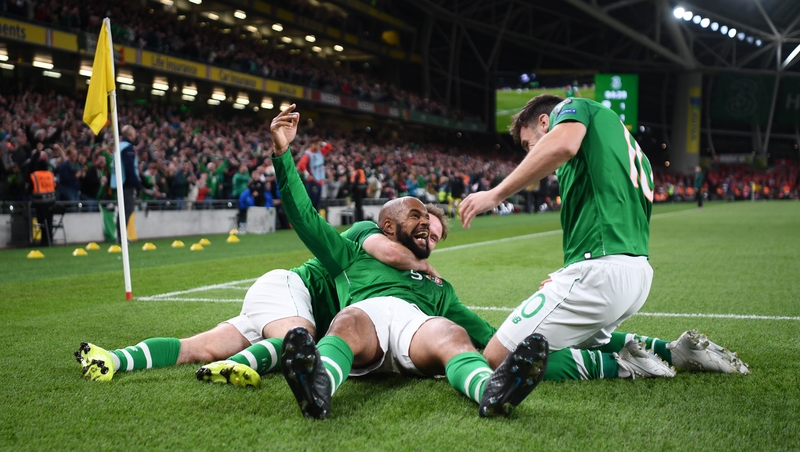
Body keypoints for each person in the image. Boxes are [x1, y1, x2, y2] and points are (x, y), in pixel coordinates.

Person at [269, 104, 548, 419]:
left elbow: (489, 336)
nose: (426, 227)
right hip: (365, 327)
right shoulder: (351, 252)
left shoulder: (439, 287)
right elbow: (305, 217)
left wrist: (547, 355)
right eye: (417, 217)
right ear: (387, 227)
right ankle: (318, 387)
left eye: (431, 229)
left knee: (452, 332)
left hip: (415, 333)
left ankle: (490, 390)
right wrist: (282, 154)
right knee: (346, 322)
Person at [459, 94, 748, 382]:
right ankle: (675, 351)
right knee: (576, 339)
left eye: (527, 143)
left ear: (546, 121)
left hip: (600, 274)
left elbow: (563, 144)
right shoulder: (620, 145)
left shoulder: (573, 107)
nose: (528, 152)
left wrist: (494, 194)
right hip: (636, 274)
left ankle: (622, 365)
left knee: (499, 356)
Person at [75, 216, 443, 385]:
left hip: (278, 304)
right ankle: (235, 365)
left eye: (436, 238)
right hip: (289, 289)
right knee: (300, 341)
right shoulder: (370, 235)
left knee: (199, 347)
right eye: (426, 226)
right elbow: (389, 252)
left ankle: (114, 358)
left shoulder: (407, 280)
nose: (429, 238)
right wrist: (425, 266)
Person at [111, 125, 142, 244]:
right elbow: (130, 169)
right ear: (130, 135)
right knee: (126, 211)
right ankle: (121, 238)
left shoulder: (119, 147)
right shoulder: (128, 148)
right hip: (127, 184)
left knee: (122, 211)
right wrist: (138, 185)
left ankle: (121, 237)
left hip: (118, 183)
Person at [296, 139, 332, 211]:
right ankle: (310, 220)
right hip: (313, 181)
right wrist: (308, 174)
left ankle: (315, 220)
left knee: (317, 202)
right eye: (317, 144)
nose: (319, 146)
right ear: (312, 144)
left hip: (319, 181)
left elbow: (329, 147)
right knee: (312, 203)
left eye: (319, 144)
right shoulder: (308, 154)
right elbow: (301, 165)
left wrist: (323, 143)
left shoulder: (320, 152)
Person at [29, 155, 56, 246]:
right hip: (51, 201)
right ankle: (50, 240)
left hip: (39, 202)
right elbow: (55, 185)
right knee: (49, 222)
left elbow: (30, 188)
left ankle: (44, 241)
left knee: (41, 222)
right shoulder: (50, 174)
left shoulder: (34, 175)